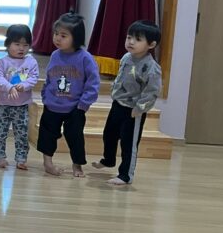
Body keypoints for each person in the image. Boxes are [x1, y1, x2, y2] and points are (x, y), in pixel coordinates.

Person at [93, 20, 163, 186]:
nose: (131, 42)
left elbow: (151, 92)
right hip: (118, 104)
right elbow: (120, 78)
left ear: (151, 44)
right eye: (129, 37)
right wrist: (114, 92)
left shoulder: (152, 68)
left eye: (138, 39)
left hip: (133, 111)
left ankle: (125, 175)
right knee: (109, 134)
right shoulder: (126, 57)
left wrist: (139, 108)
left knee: (128, 143)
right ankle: (108, 159)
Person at [38, 12, 100, 177]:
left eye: (63, 35)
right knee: (47, 135)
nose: (57, 38)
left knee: (75, 137)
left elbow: (93, 83)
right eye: (56, 33)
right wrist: (45, 96)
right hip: (52, 105)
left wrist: (83, 104)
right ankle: (47, 163)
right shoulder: (55, 55)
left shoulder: (85, 58)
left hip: (75, 108)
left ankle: (77, 165)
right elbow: (49, 77)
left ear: (76, 37)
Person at [0, 24, 39, 170]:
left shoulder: (31, 62)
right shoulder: (1, 62)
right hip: (3, 105)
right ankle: (0, 157)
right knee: (0, 133)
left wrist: (24, 85)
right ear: (8, 44)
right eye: (17, 44)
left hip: (22, 106)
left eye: (25, 45)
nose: (21, 48)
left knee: (22, 134)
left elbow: (34, 78)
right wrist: (9, 87)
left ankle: (21, 159)